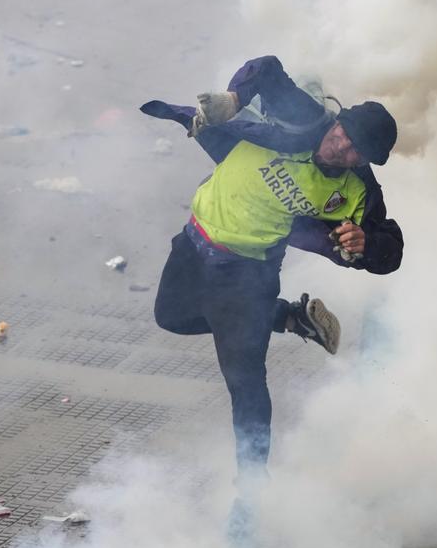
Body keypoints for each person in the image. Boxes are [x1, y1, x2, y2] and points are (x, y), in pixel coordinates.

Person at [140, 56, 403, 470]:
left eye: (355, 153)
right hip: (195, 241)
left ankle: (251, 492)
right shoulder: (303, 120)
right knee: (170, 316)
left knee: (245, 384)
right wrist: (232, 100)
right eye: (343, 136)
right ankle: (288, 317)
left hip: (247, 275)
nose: (341, 150)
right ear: (337, 121)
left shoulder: (356, 188)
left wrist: (367, 242)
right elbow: (266, 70)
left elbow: (391, 249)